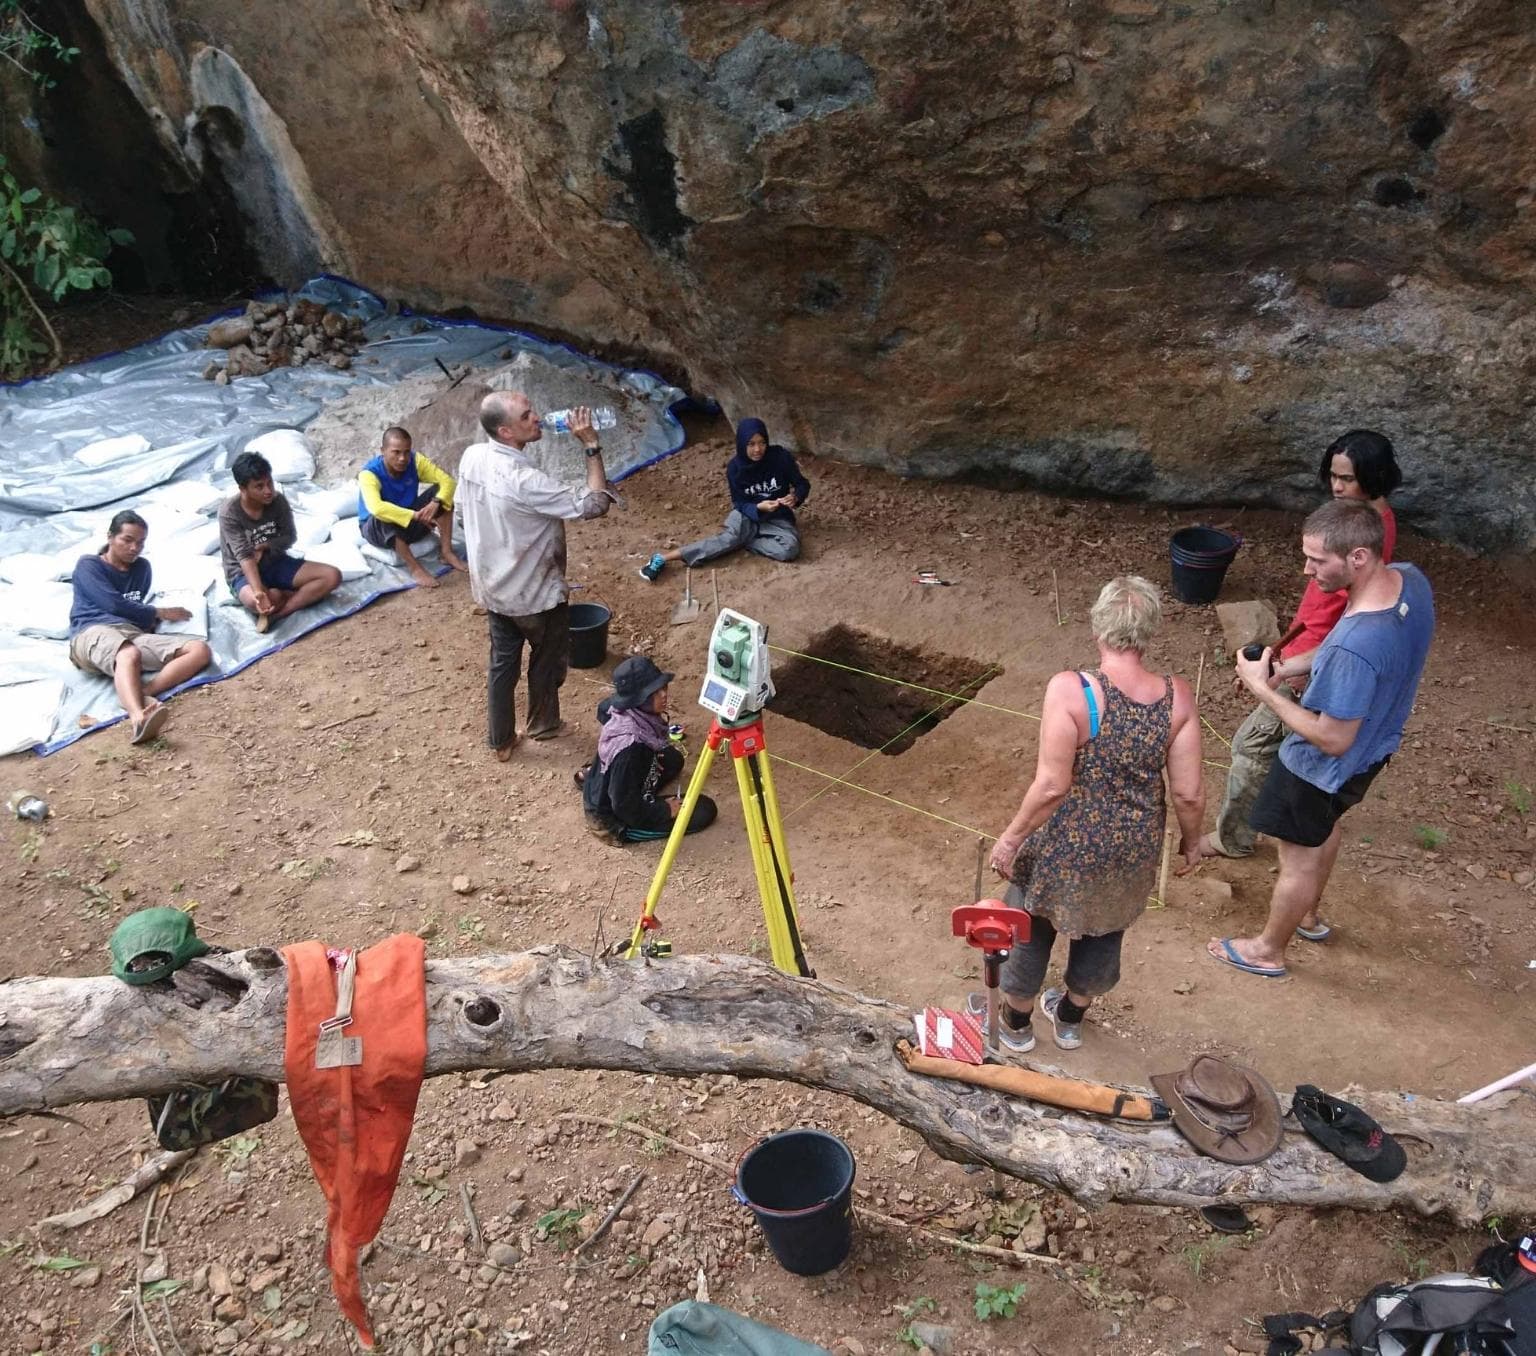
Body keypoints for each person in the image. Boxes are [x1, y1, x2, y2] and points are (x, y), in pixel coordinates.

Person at [1208, 499, 1433, 980]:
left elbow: (1331, 737)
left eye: (1317, 560)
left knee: (1298, 855)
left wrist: (1260, 689)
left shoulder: (1358, 645)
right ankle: (1307, 916)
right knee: (1323, 827)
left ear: (1357, 556)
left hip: (1319, 766)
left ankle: (1267, 950)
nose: (1308, 570)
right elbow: (1339, 647)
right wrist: (1286, 668)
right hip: (1373, 751)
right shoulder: (1408, 580)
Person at [979, 577, 1205, 1053]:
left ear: (1099, 625)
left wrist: (1011, 837)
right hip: (1131, 845)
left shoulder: (1072, 690)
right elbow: (1188, 794)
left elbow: (1051, 785)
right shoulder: (1177, 696)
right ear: (1151, 630)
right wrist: (1191, 842)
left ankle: (1017, 1024)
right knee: (1106, 925)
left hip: (1065, 840)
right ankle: (1069, 1018)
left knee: (1030, 920)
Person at [1198, 430, 1402, 898]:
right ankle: (1271, 829)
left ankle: (1239, 841)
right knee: (1288, 757)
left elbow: (1350, 617)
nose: (1337, 486)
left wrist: (1294, 666)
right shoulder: (1363, 522)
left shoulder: (1369, 534)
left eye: (1347, 479)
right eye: (1332, 475)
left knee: (1256, 748)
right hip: (1306, 651)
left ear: (1372, 477)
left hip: (1316, 663)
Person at [457, 393, 615, 760]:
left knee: (502, 662)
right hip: (535, 593)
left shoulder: (472, 457)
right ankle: (543, 724)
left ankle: (500, 740)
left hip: (493, 587)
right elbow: (595, 504)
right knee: (547, 660)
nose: (539, 418)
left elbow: (463, 512)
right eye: (527, 415)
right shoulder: (524, 480)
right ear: (507, 431)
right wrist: (591, 445)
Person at [68, 509, 213, 744]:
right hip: (91, 632)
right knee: (128, 653)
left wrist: (152, 622)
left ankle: (141, 694)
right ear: (110, 537)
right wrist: (157, 612)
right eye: (127, 540)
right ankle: (138, 718)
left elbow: (134, 609)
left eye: (140, 542)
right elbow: (113, 604)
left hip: (131, 633)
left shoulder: (142, 568)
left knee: (199, 650)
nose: (134, 548)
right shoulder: (89, 565)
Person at [639, 417, 810, 581]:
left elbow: (802, 484)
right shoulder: (735, 469)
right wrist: (759, 507)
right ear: (742, 444)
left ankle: (743, 541)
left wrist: (795, 497)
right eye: (751, 444)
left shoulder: (780, 458)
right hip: (747, 515)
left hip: (777, 518)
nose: (758, 449)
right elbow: (740, 503)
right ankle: (663, 557)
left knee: (789, 549)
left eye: (762, 443)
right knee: (725, 540)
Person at [580, 656, 718, 843]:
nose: (663, 694)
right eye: (654, 692)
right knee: (704, 809)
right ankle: (614, 822)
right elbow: (623, 806)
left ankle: (594, 779)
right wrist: (664, 810)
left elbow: (602, 710)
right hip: (614, 817)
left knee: (673, 759)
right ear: (638, 699)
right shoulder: (629, 747)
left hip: (616, 781)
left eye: (663, 687)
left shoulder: (620, 707)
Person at [219, 451, 341, 632]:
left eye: (269, 483)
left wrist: (265, 546)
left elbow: (289, 537)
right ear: (243, 489)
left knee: (332, 576)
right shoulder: (230, 512)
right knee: (260, 602)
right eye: (259, 486)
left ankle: (281, 613)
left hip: (275, 562)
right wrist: (259, 592)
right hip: (242, 573)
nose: (268, 491)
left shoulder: (278, 501)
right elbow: (244, 557)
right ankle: (281, 595)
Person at [357, 425, 467, 587]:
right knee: (380, 517)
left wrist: (435, 502)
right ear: (383, 450)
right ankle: (415, 568)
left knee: (441, 493)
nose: (402, 458)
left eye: (406, 451)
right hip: (379, 530)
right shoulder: (369, 474)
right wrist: (415, 516)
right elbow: (377, 508)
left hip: (412, 521)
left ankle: (447, 552)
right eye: (396, 452)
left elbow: (448, 482)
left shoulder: (415, 461)